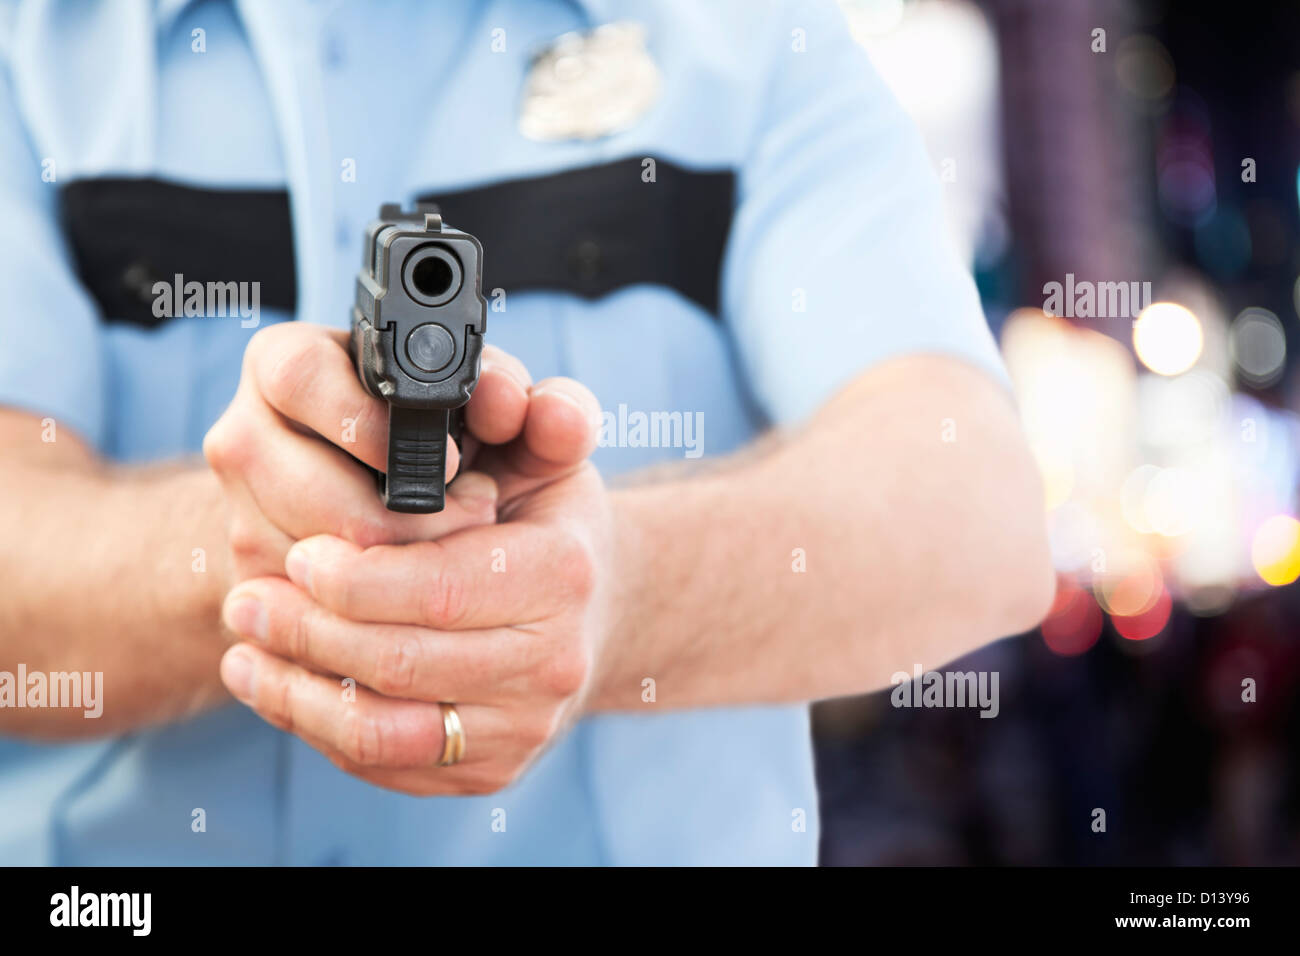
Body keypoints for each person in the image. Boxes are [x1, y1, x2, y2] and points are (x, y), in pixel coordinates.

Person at [0, 0, 1054, 865]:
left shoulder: (749, 32)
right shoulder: (23, 48)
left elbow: (978, 510)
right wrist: (246, 545)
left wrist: (617, 591)